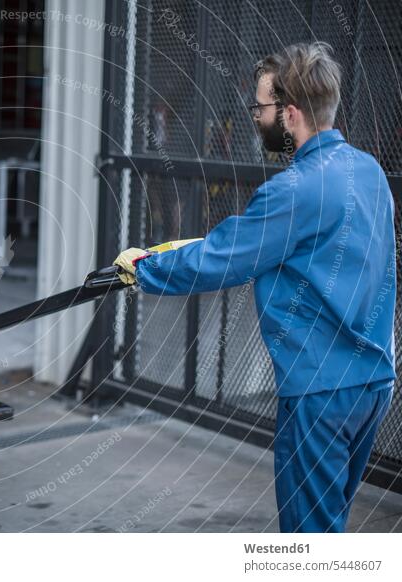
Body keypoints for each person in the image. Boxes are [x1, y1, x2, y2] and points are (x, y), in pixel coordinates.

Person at [114, 42, 396, 533]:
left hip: (320, 391)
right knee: (332, 522)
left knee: (309, 537)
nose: (255, 118)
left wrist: (145, 269)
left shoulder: (294, 190)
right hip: (375, 381)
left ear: (290, 115)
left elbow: (221, 259)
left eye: (261, 108)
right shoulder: (369, 171)